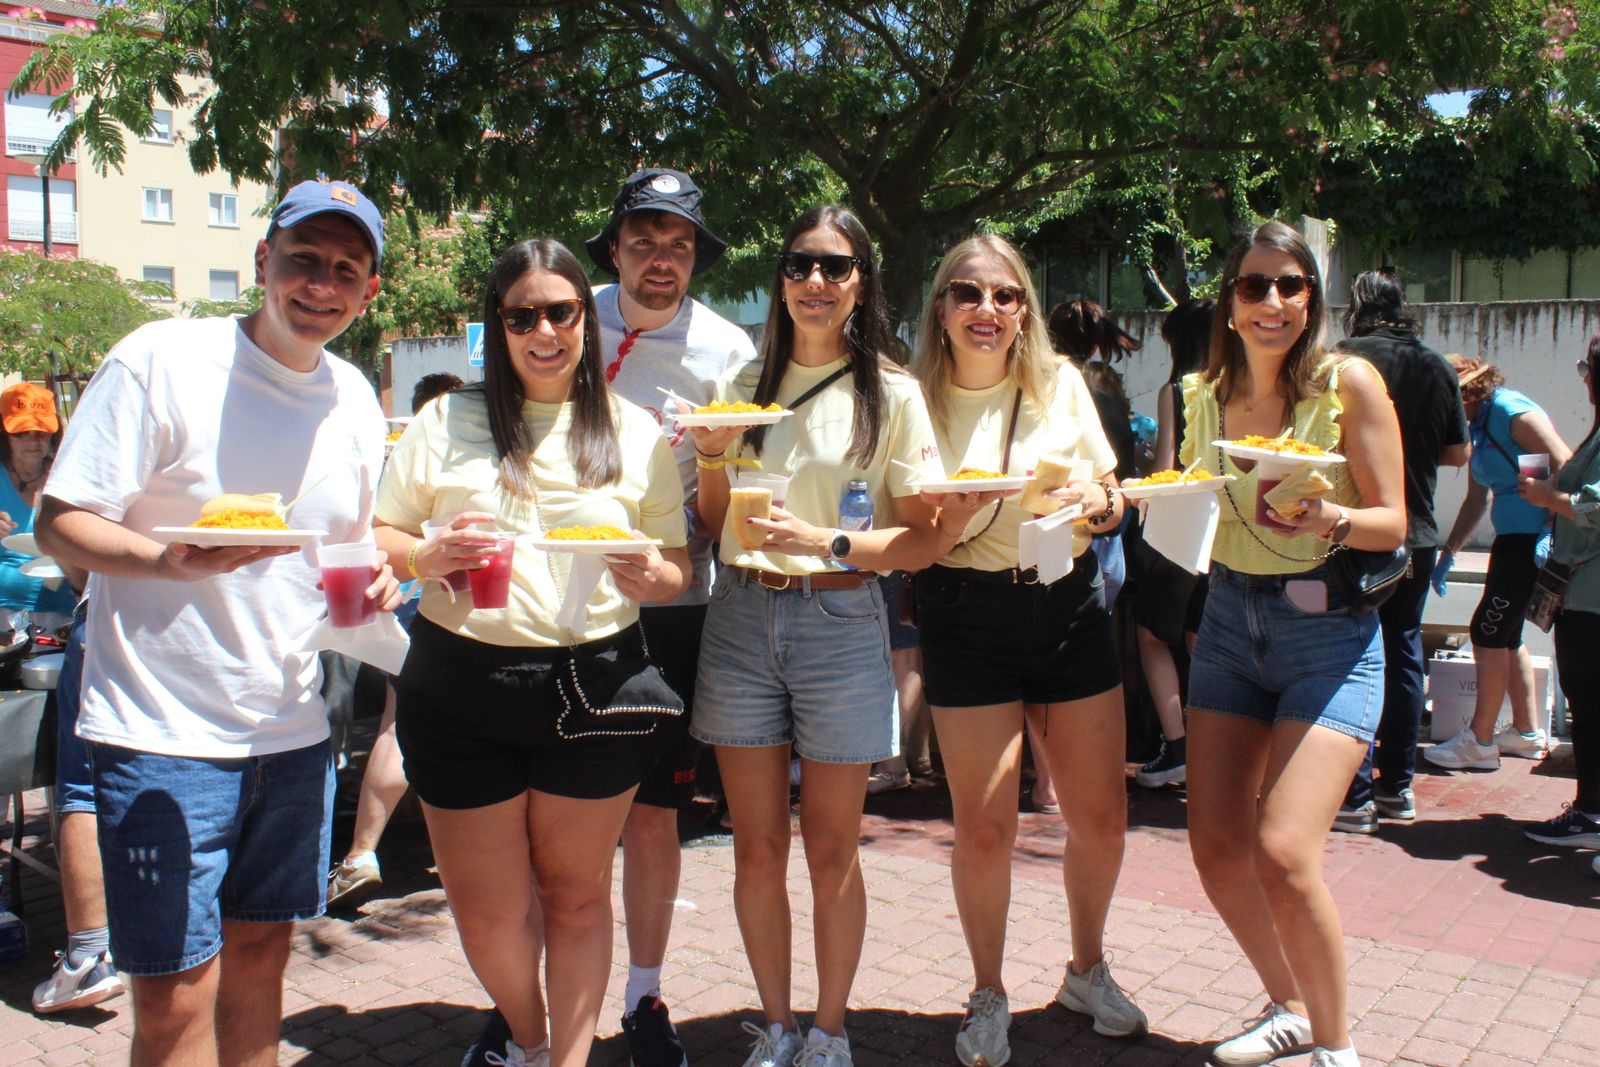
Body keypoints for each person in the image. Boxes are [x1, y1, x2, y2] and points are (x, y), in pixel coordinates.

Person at [36, 179, 401, 1064]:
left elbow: (352, 541)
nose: (321, 284)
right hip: (161, 733)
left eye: (345, 269)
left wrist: (386, 571)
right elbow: (60, 519)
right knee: (171, 999)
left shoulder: (353, 395)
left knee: (261, 964)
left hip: (292, 732)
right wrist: (165, 560)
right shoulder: (160, 358)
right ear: (263, 259)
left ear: (369, 291)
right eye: (304, 260)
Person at [376, 237, 690, 1067]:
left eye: (561, 311)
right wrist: (421, 557)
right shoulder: (447, 420)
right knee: (486, 910)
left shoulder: (634, 430)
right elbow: (384, 532)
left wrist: (650, 568)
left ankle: (567, 1061)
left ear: (588, 317)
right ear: (499, 325)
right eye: (523, 315)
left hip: (594, 680)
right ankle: (526, 1030)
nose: (543, 330)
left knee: (576, 894)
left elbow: (674, 566)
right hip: (460, 680)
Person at [687, 205, 972, 1067]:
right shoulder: (740, 379)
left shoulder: (892, 394)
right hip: (739, 615)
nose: (817, 281)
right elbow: (712, 520)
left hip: (842, 617)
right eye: (802, 263)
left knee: (833, 846)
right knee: (757, 841)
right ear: (781, 277)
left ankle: (831, 1030)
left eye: (836, 267)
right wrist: (709, 456)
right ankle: (776, 1025)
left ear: (860, 283)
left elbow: (929, 537)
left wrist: (829, 542)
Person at [910, 234, 1143, 1067]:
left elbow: (1110, 495)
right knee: (985, 825)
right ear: (941, 306)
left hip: (1069, 602)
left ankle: (1085, 967)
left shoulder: (1061, 386)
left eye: (1006, 296)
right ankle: (987, 989)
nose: (988, 310)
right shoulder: (912, 399)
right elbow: (900, 524)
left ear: (1025, 311)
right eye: (968, 293)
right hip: (965, 612)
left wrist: (1101, 500)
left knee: (1103, 818)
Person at [1181, 221, 1405, 1067]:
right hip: (1231, 621)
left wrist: (1333, 516)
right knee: (1213, 846)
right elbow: (1189, 495)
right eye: (1254, 286)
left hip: (1330, 634)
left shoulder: (1348, 384)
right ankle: (1291, 1002)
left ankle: (1335, 1048)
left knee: (1281, 849)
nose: (1273, 302)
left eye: (1291, 285)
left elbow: (1395, 520)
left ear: (1311, 298)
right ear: (1230, 303)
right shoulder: (1200, 392)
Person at [584, 166, 757, 1065]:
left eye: (678, 243)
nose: (661, 259)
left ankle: (645, 996)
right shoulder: (564, 318)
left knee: (653, 812)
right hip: (561, 607)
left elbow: (731, 507)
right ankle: (536, 1000)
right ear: (613, 248)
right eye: (643, 240)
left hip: (677, 606)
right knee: (557, 815)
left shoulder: (727, 350)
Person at [1331, 270, 1470, 832]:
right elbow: (1458, 453)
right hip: (1417, 531)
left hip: (1355, 529)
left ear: (1357, 308)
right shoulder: (1436, 366)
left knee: (1350, 656)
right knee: (1404, 654)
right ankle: (1398, 787)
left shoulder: (1340, 362)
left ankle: (1354, 793)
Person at [326, 370, 465, 910]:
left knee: (403, 727)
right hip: (430, 607)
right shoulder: (458, 453)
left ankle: (364, 854)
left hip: (413, 608)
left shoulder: (403, 454)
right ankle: (432, 858)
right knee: (415, 729)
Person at [1426, 358, 1570, 771]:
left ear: (1467, 392)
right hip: (1510, 542)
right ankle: (1525, 734)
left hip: (1531, 542)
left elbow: (1563, 461)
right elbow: (1476, 500)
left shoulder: (1509, 411)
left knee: (1486, 632)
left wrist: (1551, 521)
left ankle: (1481, 742)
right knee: (1505, 636)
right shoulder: (1478, 425)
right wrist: (1449, 551)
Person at [1520, 336, 1600, 850]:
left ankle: (1591, 814)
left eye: (1586, 367)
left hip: (1593, 599)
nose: (1584, 377)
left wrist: (1551, 497)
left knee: (1591, 707)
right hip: (1582, 595)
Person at [1132, 299, 1214, 789]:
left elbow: (1165, 467)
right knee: (1205, 640)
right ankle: (1215, 747)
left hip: (1177, 528)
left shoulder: (1178, 389)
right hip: (1226, 529)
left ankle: (1178, 744)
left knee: (1153, 637)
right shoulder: (1239, 389)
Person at [0, 383, 75, 617]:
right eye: (21, 434)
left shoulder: (68, 475)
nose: (33, 442)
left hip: (64, 601)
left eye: (41, 433)